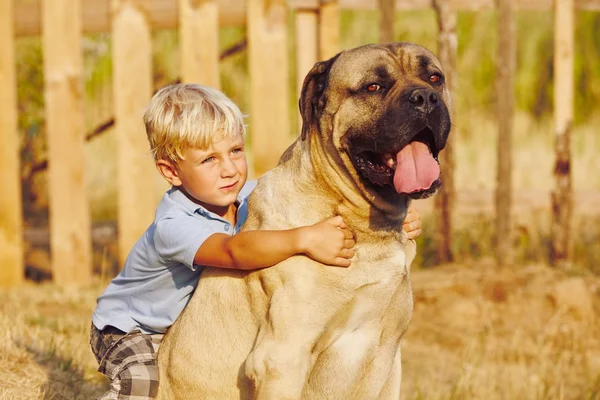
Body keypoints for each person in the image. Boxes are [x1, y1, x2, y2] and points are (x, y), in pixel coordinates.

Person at [89, 83, 423, 400]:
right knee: (142, 381)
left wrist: (386, 220)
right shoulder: (174, 225)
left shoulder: (251, 196)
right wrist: (302, 239)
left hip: (184, 327)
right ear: (172, 172)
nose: (229, 169)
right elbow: (233, 252)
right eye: (209, 160)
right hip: (131, 328)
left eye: (235, 151)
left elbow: (308, 204)